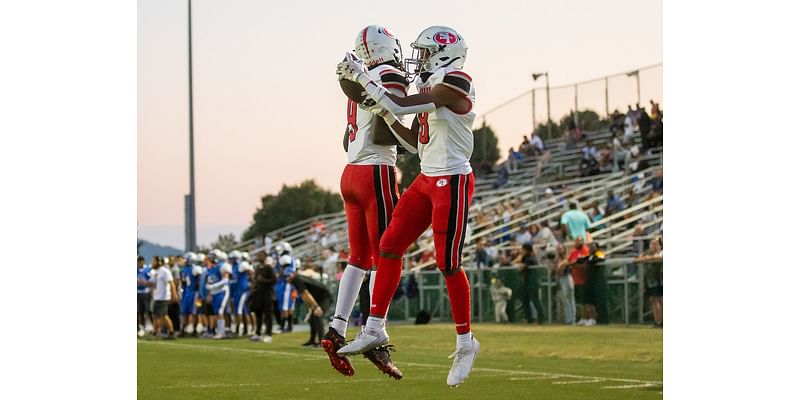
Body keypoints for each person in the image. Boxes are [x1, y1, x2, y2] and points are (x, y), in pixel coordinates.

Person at [336, 25, 479, 387]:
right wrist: (383, 114)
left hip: (453, 180)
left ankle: (466, 343)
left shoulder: (458, 81)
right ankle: (374, 328)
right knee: (388, 245)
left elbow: (399, 103)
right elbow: (413, 143)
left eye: (427, 52)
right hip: (426, 178)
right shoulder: (431, 87)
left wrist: (364, 82)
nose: (421, 60)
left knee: (447, 263)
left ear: (444, 53)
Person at [322, 25, 410, 379]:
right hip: (376, 172)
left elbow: (349, 138)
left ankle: (336, 328)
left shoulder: (359, 79)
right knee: (388, 254)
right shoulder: (387, 73)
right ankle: (376, 333)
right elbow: (387, 125)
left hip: (350, 173)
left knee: (359, 259)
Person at [289, 272, 334, 349]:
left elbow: (305, 294)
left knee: (318, 315)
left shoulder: (296, 280)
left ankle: (322, 341)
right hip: (318, 298)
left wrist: (316, 307)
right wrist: (310, 309)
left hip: (324, 297)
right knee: (312, 318)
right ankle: (312, 341)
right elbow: (305, 296)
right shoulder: (298, 278)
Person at [147, 256, 179, 338]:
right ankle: (155, 332)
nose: (152, 263)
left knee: (164, 315)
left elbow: (171, 283)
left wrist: (174, 294)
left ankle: (171, 332)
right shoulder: (156, 272)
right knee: (155, 315)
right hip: (157, 297)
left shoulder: (165, 271)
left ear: (160, 262)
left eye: (154, 261)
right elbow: (153, 283)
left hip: (164, 297)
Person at [512, 244, 544, 324]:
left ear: (526, 250)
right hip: (526, 282)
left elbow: (522, 267)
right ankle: (529, 319)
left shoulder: (530, 258)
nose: (521, 251)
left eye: (522, 249)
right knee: (525, 300)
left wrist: (516, 266)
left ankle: (541, 319)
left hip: (533, 282)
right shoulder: (525, 257)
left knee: (535, 301)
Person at [249, 251, 277, 342]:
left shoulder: (269, 268)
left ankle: (268, 334)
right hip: (258, 294)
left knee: (268, 315)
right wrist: (254, 286)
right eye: (258, 255)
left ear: (265, 257)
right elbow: (256, 280)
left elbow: (274, 281)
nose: (259, 257)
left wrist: (263, 280)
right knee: (258, 314)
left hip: (267, 294)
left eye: (261, 255)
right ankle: (258, 333)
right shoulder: (257, 268)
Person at [204, 249, 233, 339]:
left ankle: (222, 332)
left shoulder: (223, 266)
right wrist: (209, 291)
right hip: (214, 293)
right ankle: (219, 330)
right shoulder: (211, 268)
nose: (211, 258)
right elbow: (210, 281)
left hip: (222, 291)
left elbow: (225, 280)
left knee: (220, 312)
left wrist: (213, 286)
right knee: (217, 312)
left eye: (213, 256)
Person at [635, 239, 663, 328]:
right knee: (653, 301)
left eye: (655, 244)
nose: (653, 246)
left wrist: (648, 258)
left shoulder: (661, 253)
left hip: (659, 280)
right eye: (652, 244)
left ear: (660, 246)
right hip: (650, 281)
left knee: (658, 300)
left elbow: (659, 259)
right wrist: (646, 257)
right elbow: (637, 260)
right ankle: (657, 321)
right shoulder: (648, 254)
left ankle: (660, 321)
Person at [567, 237, 592, 326]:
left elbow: (584, 260)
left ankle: (590, 318)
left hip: (584, 278)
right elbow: (569, 261)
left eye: (579, 241)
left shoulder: (585, 250)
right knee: (580, 301)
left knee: (586, 300)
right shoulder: (573, 251)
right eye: (576, 241)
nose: (577, 243)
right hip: (576, 279)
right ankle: (583, 317)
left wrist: (575, 262)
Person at [583, 242, 609, 325]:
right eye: (590, 247)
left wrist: (590, 262)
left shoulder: (599, 253)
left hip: (599, 280)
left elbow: (600, 259)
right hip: (591, 280)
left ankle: (603, 319)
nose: (591, 248)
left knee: (600, 300)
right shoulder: (589, 256)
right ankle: (594, 318)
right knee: (591, 300)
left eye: (593, 247)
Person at [179, 252, 203, 336]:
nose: (184, 261)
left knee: (195, 312)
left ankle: (195, 330)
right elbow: (183, 283)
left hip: (195, 293)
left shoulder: (196, 268)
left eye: (186, 259)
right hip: (186, 293)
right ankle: (183, 329)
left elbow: (200, 282)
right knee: (184, 312)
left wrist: (200, 294)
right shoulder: (183, 270)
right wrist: (182, 292)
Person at [554, 244, 576, 324]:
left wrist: (563, 264)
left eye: (560, 249)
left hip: (567, 276)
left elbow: (568, 263)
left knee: (570, 298)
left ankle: (573, 319)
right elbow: (556, 269)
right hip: (560, 278)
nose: (559, 250)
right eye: (558, 249)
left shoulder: (567, 257)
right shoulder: (557, 259)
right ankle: (568, 319)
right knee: (565, 300)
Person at [137, 256, 153, 337]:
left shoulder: (148, 270)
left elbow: (152, 281)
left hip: (146, 292)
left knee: (148, 311)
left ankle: (152, 327)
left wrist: (145, 283)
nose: (139, 263)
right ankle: (141, 327)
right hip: (138, 292)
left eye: (141, 262)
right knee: (140, 311)